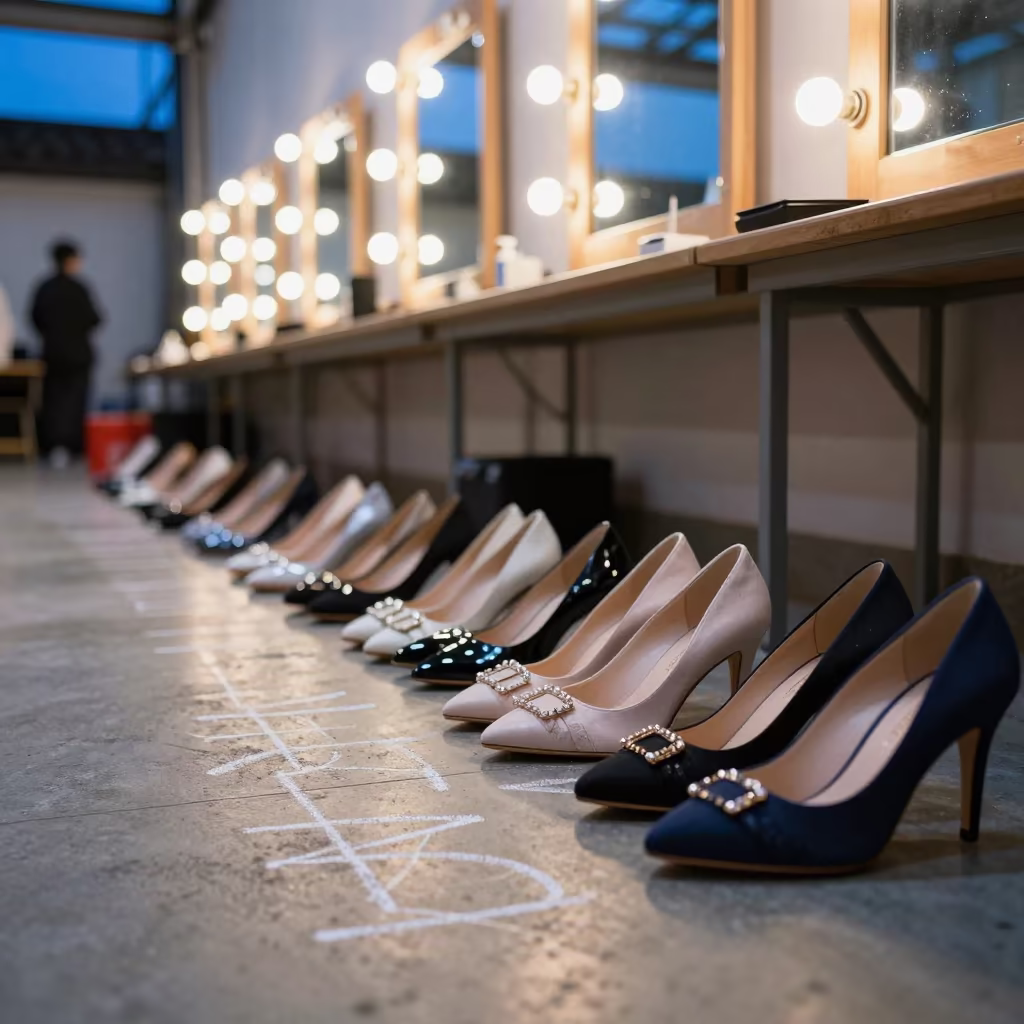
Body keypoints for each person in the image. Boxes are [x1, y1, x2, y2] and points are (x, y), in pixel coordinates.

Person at [30, 240, 103, 466]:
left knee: (53, 402)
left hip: (53, 355)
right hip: (78, 356)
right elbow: (95, 318)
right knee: (75, 402)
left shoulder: (45, 288)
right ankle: (73, 447)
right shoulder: (79, 288)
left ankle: (52, 446)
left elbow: (35, 318)